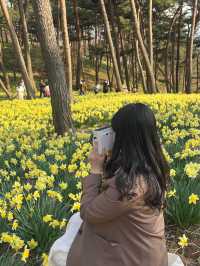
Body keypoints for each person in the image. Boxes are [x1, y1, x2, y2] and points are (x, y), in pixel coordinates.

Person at [66, 103, 169, 266]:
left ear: (124, 138)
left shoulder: (130, 185)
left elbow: (88, 212)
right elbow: (111, 197)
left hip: (134, 259)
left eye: (114, 133)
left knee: (78, 232)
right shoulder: (151, 164)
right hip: (145, 251)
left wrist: (95, 169)